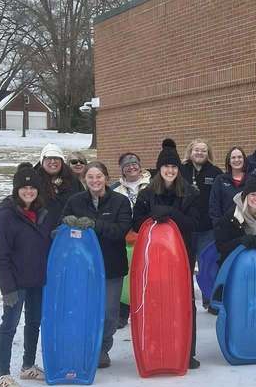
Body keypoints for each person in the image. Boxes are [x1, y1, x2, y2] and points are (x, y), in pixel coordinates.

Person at [133, 143, 201, 369]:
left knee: (183, 300)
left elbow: (194, 223)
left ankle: (185, 350)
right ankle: (155, 345)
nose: (170, 170)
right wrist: (151, 217)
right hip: (152, 256)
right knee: (155, 299)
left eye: (173, 166)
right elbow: (136, 223)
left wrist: (172, 214)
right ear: (159, 168)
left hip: (182, 255)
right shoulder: (147, 193)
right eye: (165, 166)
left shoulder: (190, 193)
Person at [63, 161, 132, 369]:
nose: (95, 181)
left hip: (112, 265)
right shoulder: (75, 201)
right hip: (83, 266)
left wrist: (95, 225)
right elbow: (62, 224)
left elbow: (120, 231)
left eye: (99, 176)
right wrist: (68, 225)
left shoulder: (120, 201)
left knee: (109, 312)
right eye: (90, 177)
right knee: (84, 308)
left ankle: (102, 348)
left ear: (106, 178)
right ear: (85, 179)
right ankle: (85, 347)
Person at [0, 163, 52, 387]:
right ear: (16, 190)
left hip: (37, 281)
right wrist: (7, 288)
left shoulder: (42, 215)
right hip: (15, 284)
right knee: (9, 325)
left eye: (32, 187)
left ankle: (27, 365)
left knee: (34, 323)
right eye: (24, 188)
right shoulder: (6, 217)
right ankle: (3, 374)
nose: (28, 191)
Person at [110, 152, 152, 326]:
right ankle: (122, 312)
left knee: (147, 273)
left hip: (148, 236)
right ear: (122, 169)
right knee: (125, 274)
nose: (131, 167)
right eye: (127, 165)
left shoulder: (152, 184)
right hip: (125, 238)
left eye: (134, 163)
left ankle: (146, 308)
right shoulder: (115, 189)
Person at [180, 139, 222, 306]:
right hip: (186, 228)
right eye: (196, 150)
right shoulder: (181, 170)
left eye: (203, 151)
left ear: (208, 153)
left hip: (207, 229)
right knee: (186, 265)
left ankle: (209, 299)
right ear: (190, 152)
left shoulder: (215, 172)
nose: (199, 153)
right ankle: (187, 300)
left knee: (208, 266)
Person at [214, 176, 256, 265]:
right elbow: (220, 246)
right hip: (234, 265)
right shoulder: (231, 216)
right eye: (253, 194)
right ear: (246, 196)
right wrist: (240, 241)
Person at [33, 144, 79, 228]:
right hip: (40, 231)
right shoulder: (34, 181)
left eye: (56, 158)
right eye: (49, 158)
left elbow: (82, 203)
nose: (53, 161)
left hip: (67, 231)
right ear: (42, 161)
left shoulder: (73, 180)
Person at [209, 146, 248, 225]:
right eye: (233, 157)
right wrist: (218, 225)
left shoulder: (251, 179)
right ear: (229, 161)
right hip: (226, 227)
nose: (236, 160)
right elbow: (214, 205)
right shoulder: (220, 180)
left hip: (248, 227)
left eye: (240, 157)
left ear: (244, 160)